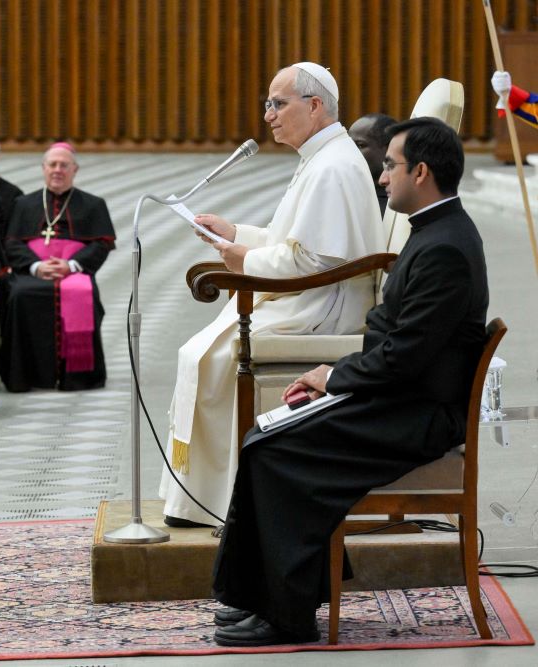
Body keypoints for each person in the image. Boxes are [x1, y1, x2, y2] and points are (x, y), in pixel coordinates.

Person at [211, 117, 488, 647]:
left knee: (273, 450)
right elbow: (400, 346)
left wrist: (333, 376)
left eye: (390, 165)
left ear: (422, 172)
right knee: (269, 436)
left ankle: (285, 615)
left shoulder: (445, 248)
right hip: (402, 396)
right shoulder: (436, 231)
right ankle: (271, 599)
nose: (381, 177)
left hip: (418, 413)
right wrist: (333, 379)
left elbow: (405, 356)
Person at [159, 63, 385, 528]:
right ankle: (203, 496)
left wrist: (243, 260)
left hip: (322, 306)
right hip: (314, 292)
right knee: (200, 351)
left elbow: (316, 261)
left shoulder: (333, 166)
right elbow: (298, 243)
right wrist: (236, 234)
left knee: (213, 357)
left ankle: (221, 501)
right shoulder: (324, 157)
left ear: (315, 105)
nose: (268, 115)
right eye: (268, 104)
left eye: (278, 104)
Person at [0, 142, 116, 392]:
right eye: (52, 164)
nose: (58, 170)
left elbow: (102, 244)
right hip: (33, 271)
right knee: (19, 295)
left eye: (64, 165)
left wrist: (72, 265)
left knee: (83, 294)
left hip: (75, 272)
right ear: (43, 168)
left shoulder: (94, 204)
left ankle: (78, 376)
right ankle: (25, 375)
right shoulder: (23, 204)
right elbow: (10, 243)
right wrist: (35, 266)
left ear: (75, 170)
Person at [349, 113, 397, 215]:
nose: (350, 152)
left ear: (389, 148)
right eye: (349, 145)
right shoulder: (345, 194)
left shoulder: (398, 205)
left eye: (360, 145)